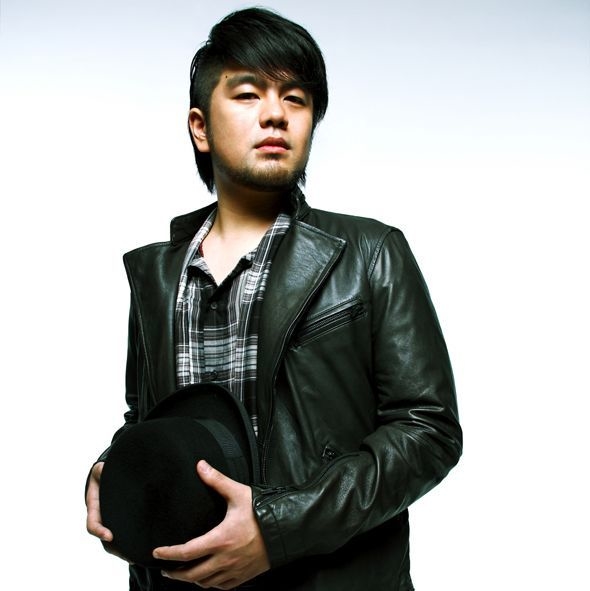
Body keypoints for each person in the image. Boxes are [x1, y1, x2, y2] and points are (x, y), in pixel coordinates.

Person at [85, 7, 462, 591]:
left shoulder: (370, 253)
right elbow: (145, 420)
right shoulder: (157, 276)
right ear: (200, 127)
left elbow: (428, 430)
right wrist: (113, 471)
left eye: (296, 99)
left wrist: (276, 528)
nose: (275, 114)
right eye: (247, 94)